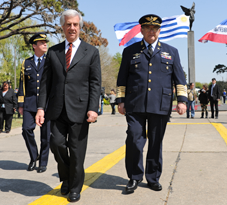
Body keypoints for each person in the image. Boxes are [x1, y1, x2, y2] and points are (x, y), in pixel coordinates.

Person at [116, 14, 187, 193]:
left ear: (159, 31)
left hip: (160, 104)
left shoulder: (171, 52)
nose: (151, 31)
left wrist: (182, 101)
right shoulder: (130, 51)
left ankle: (153, 178)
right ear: (141, 30)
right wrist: (120, 100)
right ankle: (134, 177)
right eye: (148, 28)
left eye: (154, 28)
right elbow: (122, 78)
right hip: (135, 104)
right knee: (133, 138)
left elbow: (179, 78)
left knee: (156, 143)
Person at [35, 9, 101, 203]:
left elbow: (95, 83)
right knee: (56, 144)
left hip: (81, 110)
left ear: (80, 27)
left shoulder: (92, 52)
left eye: (75, 24)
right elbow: (45, 83)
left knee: (77, 151)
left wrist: (93, 108)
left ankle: (74, 187)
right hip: (56, 109)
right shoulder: (53, 52)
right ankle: (66, 176)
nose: (72, 28)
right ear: (63, 27)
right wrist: (40, 108)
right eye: (68, 24)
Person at [17, 33, 51, 173]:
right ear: (34, 46)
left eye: (45, 42)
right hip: (29, 103)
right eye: (41, 42)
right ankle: (33, 156)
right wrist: (20, 104)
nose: (45, 44)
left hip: (47, 104)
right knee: (26, 130)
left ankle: (43, 162)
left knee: (46, 135)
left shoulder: (50, 61)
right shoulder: (26, 62)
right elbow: (22, 84)